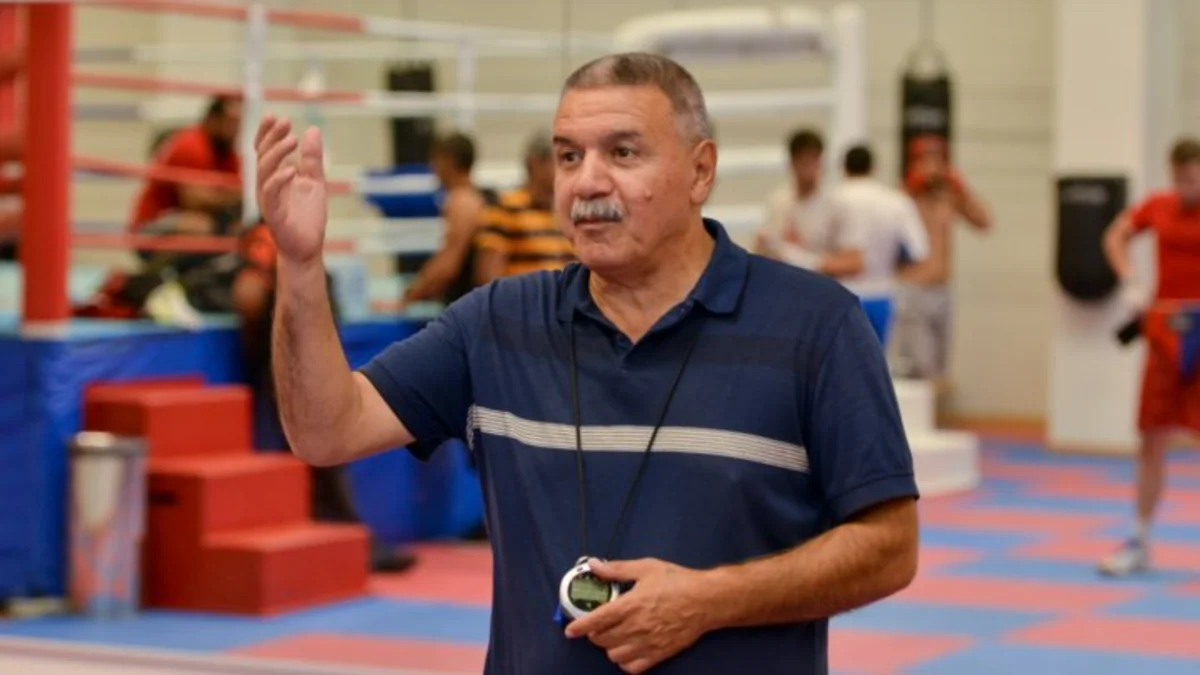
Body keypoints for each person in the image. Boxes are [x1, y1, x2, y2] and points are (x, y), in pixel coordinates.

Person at [255, 52, 918, 675]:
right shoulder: (497, 323)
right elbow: (324, 431)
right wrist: (301, 264)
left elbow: (889, 546)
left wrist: (709, 600)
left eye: (623, 153)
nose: (588, 182)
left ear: (701, 171)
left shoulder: (815, 325)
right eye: (569, 156)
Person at [230, 220, 418, 574]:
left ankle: (349, 540)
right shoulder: (262, 243)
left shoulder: (301, 244)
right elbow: (248, 297)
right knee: (318, 455)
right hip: (283, 374)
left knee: (332, 454)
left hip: (315, 367)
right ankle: (345, 543)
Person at [1097, 137, 1200, 577]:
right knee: (1151, 438)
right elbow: (1115, 236)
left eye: (1191, 178)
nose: (1184, 186)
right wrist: (1129, 280)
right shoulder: (1158, 205)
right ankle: (1139, 540)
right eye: (1178, 177)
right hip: (1164, 335)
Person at [891, 135, 992, 380]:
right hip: (913, 289)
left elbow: (984, 222)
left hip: (943, 289)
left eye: (937, 160)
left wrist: (960, 188)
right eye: (926, 160)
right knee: (919, 368)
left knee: (940, 371)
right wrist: (912, 186)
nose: (932, 167)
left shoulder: (949, 195)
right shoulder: (902, 197)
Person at [826, 145, 929, 346]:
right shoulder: (896, 201)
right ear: (874, 168)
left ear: (843, 168)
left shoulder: (833, 199)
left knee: (842, 359)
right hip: (882, 293)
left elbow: (818, 247)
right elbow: (918, 251)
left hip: (842, 292)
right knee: (877, 359)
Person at [754, 129, 863, 280]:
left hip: (822, 285)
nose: (808, 167)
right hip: (787, 284)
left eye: (812, 159)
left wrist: (809, 261)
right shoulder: (778, 201)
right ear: (792, 162)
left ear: (820, 161)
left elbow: (854, 263)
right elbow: (762, 248)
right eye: (802, 160)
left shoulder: (837, 204)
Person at [129, 95, 243, 236]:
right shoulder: (191, 144)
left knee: (241, 230)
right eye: (230, 123)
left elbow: (237, 190)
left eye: (238, 123)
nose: (235, 130)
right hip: (152, 223)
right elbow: (194, 201)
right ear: (213, 119)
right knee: (200, 226)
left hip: (193, 219)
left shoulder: (228, 154)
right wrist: (236, 196)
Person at [402, 131, 492, 307]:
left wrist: (410, 295)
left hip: (469, 305)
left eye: (435, 160)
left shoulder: (462, 201)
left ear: (448, 160)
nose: (432, 168)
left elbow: (448, 264)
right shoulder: (479, 198)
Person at [473, 130, 574, 283]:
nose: (566, 170)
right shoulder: (504, 208)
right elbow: (488, 277)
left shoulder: (566, 214)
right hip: (522, 297)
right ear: (534, 163)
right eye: (559, 161)